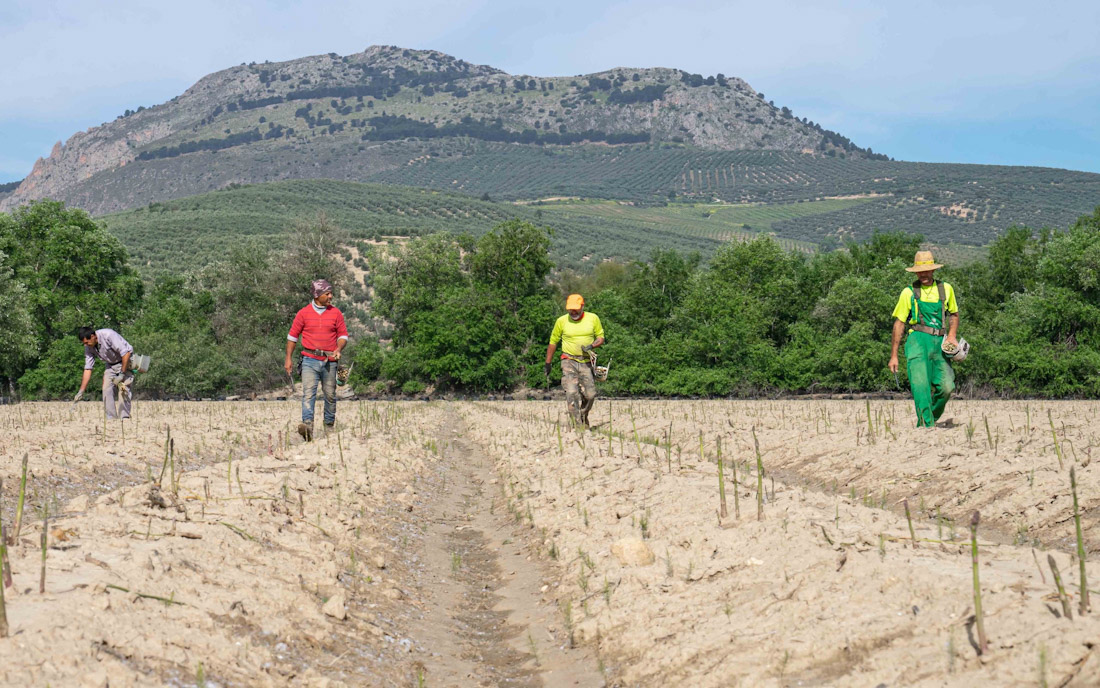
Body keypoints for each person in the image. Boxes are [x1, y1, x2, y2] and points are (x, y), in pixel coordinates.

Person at [888, 251, 959, 428]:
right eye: (920, 271)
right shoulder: (908, 292)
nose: (923, 274)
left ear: (933, 271)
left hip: (940, 342)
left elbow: (954, 314)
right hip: (917, 340)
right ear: (915, 272)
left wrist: (951, 335)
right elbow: (899, 323)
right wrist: (894, 356)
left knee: (946, 387)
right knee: (920, 386)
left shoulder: (946, 289)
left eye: (927, 271)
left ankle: (930, 418)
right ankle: (926, 425)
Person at [286, 279, 348, 441]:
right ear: (317, 295)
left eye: (330, 293)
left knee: (330, 395)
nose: (330, 297)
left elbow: (343, 336)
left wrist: (338, 349)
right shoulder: (303, 313)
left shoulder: (336, 313)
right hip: (309, 360)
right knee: (308, 394)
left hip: (330, 361)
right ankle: (308, 427)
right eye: (327, 294)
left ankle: (329, 428)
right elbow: (292, 337)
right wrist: (288, 359)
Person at [545, 294, 605, 428]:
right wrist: (548, 363)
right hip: (568, 361)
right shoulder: (561, 321)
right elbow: (553, 342)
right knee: (571, 393)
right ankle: (578, 426)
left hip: (586, 362)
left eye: (576, 309)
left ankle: (583, 415)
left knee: (590, 395)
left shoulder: (593, 318)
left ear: (582, 306)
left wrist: (592, 346)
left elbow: (600, 337)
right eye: (570, 309)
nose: (573, 312)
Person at [75, 326, 135, 420]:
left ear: (93, 336)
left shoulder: (108, 335)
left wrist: (122, 374)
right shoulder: (88, 347)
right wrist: (81, 391)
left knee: (124, 389)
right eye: (84, 343)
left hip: (125, 361)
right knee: (106, 389)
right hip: (110, 364)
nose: (85, 345)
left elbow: (125, 353)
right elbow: (88, 368)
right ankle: (111, 417)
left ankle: (124, 417)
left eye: (87, 342)